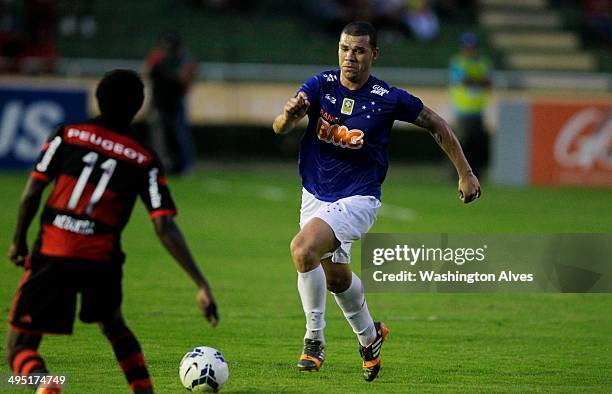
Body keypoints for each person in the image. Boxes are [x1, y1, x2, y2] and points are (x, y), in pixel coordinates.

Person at [272, 21, 480, 382]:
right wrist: (288, 117)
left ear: (374, 54)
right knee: (336, 279)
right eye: (344, 48)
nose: (349, 57)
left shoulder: (387, 98)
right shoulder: (321, 85)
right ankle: (370, 338)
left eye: (359, 50)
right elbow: (280, 126)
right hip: (315, 196)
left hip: (359, 197)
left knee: (303, 250)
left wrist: (465, 172)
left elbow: (436, 124)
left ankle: (314, 340)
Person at [6, 69, 218, 394]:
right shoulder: (143, 158)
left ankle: (44, 381)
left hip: (53, 250)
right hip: (101, 259)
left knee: (19, 348)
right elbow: (164, 225)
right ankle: (144, 391)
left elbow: (32, 192)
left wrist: (18, 241)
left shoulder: (67, 135)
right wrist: (201, 282)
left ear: (98, 98)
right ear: (138, 107)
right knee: (114, 326)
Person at [143, 31, 197, 175]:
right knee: (160, 134)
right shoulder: (158, 59)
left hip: (176, 100)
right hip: (161, 100)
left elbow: (186, 79)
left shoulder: (183, 59)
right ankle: (161, 163)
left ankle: (183, 164)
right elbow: (148, 73)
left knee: (179, 132)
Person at [448, 32, 493, 178]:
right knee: (461, 146)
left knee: (477, 147)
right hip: (463, 111)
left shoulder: (483, 62)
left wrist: (473, 80)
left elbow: (488, 83)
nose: (470, 49)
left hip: (478, 111)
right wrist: (480, 80)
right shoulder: (458, 61)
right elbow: (464, 81)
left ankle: (475, 175)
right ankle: (456, 175)